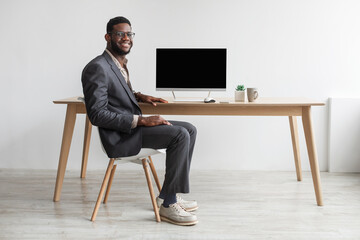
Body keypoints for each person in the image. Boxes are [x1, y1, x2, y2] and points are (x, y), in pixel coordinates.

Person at [81, 16, 198, 226]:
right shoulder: (97, 67)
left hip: (130, 130)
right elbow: (97, 114)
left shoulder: (118, 64)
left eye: (129, 34)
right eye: (120, 34)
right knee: (179, 135)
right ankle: (168, 205)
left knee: (189, 129)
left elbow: (116, 94)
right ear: (108, 37)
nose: (126, 38)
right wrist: (143, 121)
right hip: (119, 136)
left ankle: (168, 193)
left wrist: (140, 96)